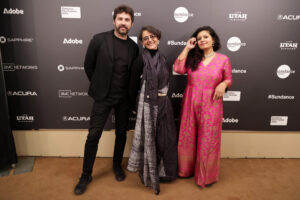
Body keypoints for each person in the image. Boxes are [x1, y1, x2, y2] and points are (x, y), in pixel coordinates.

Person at [74, 5, 139, 195]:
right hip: (102, 98)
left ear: (131, 23)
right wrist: (100, 86)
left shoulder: (134, 48)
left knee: (121, 134)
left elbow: (133, 75)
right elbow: (88, 66)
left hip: (124, 100)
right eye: (120, 19)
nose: (123, 23)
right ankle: (86, 175)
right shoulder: (99, 40)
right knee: (93, 136)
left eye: (127, 20)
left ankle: (117, 166)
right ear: (114, 21)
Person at [173, 26, 232, 187]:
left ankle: (205, 176)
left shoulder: (223, 59)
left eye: (205, 37)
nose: (202, 40)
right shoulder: (193, 58)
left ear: (213, 39)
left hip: (212, 102)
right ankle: (185, 170)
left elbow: (228, 79)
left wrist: (223, 84)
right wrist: (187, 48)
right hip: (190, 100)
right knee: (187, 136)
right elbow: (178, 69)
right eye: (199, 38)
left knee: (208, 138)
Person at [127, 26, 178, 195]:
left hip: (164, 104)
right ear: (142, 42)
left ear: (158, 38)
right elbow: (132, 86)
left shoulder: (163, 59)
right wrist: (135, 108)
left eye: (152, 36)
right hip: (147, 106)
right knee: (149, 141)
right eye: (145, 38)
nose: (150, 40)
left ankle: (164, 172)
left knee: (166, 139)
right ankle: (150, 174)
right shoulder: (140, 60)